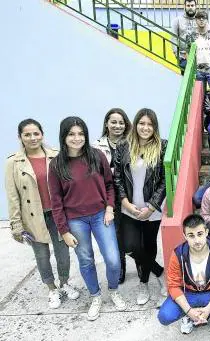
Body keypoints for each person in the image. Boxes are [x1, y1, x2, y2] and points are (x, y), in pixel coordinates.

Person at [48, 116, 126, 321]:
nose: (77, 138)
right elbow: (55, 202)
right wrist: (63, 231)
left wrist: (110, 208)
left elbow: (110, 185)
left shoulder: (96, 156)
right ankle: (95, 296)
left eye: (80, 133)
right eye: (71, 134)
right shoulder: (56, 165)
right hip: (75, 220)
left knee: (113, 259)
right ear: (63, 136)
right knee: (86, 260)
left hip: (101, 214)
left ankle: (113, 289)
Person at [5, 119, 80, 310]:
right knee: (42, 255)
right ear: (20, 137)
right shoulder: (13, 162)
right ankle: (51, 288)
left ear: (42, 134)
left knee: (63, 253)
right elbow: (13, 196)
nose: (32, 138)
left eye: (36, 133)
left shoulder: (56, 156)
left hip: (57, 214)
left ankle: (64, 283)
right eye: (27, 134)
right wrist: (16, 226)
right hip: (33, 216)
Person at [113, 108, 167, 305]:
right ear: (135, 125)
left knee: (150, 245)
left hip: (151, 210)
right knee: (130, 246)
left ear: (154, 127)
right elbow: (117, 178)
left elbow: (163, 181)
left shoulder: (162, 146)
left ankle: (143, 283)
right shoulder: (123, 147)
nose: (145, 128)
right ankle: (160, 273)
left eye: (149, 124)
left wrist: (151, 207)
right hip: (129, 208)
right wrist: (125, 203)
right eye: (142, 123)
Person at [157, 214, 210, 334]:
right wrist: (189, 311)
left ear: (206, 232)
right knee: (164, 316)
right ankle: (188, 316)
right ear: (185, 236)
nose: (197, 240)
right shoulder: (178, 254)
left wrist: (209, 308)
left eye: (200, 234)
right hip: (188, 293)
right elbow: (173, 285)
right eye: (191, 235)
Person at [91, 108, 132, 283]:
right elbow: (94, 172)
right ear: (106, 123)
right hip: (107, 197)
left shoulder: (132, 142)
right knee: (115, 234)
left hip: (128, 195)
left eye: (121, 122)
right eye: (113, 122)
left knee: (131, 234)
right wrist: (114, 172)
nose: (117, 125)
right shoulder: (96, 145)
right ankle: (120, 266)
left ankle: (145, 265)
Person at [182, 10, 210, 88]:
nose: (201, 20)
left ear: (207, 20)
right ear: (195, 20)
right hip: (198, 71)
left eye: (203, 18)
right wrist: (191, 69)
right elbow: (187, 53)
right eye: (199, 18)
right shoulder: (191, 36)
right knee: (199, 96)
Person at [171, 0, 197, 74]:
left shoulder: (200, 20)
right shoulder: (177, 20)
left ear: (196, 7)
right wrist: (178, 55)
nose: (190, 8)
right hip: (184, 57)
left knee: (199, 83)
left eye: (192, 5)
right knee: (185, 83)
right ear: (184, 7)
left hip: (199, 57)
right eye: (188, 6)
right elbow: (174, 38)